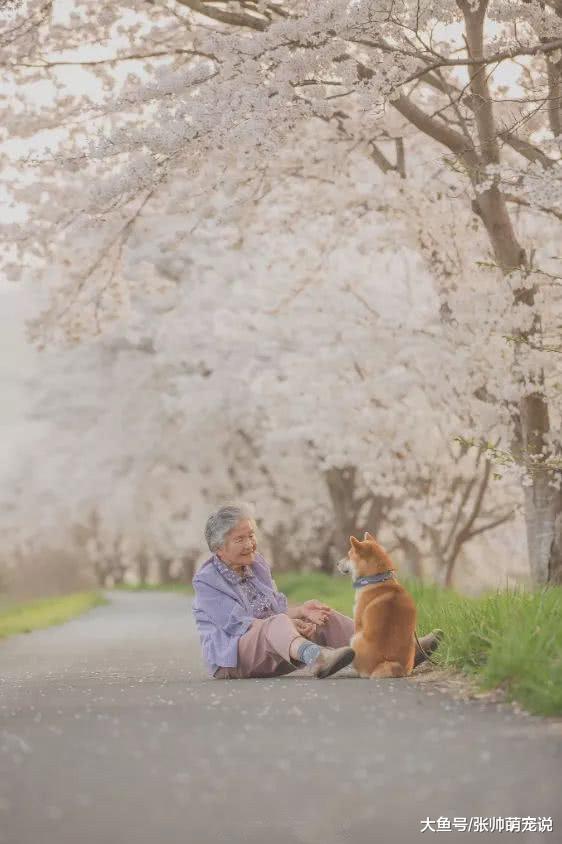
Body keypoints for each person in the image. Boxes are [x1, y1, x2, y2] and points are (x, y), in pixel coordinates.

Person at [192, 503, 441, 680]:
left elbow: (275, 609)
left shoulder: (256, 564)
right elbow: (241, 625)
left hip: (276, 649)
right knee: (279, 622)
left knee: (322, 615)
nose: (249, 544)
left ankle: (398, 651)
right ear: (218, 549)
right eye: (239, 539)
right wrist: (290, 623)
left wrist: (302, 612)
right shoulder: (206, 581)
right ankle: (318, 658)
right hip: (234, 661)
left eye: (251, 535)